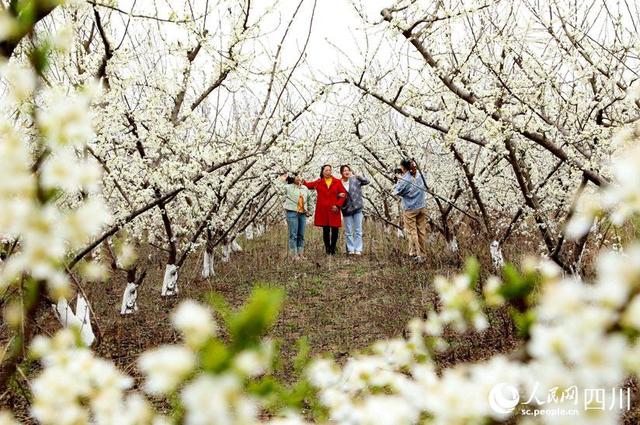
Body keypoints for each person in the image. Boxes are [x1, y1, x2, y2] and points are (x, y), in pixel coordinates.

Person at [304, 165, 347, 255]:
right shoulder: (319, 182)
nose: (328, 172)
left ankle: (333, 249)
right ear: (322, 171)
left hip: (334, 210)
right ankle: (328, 250)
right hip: (323, 210)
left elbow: (343, 194)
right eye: (326, 170)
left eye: (329, 170)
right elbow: (308, 185)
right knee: (326, 230)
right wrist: (299, 179)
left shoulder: (337, 182)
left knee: (335, 230)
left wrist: (338, 205)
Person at [393, 159, 427, 262]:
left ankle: (416, 254)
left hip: (410, 209)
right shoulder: (420, 175)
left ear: (403, 167)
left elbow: (397, 191)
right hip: (421, 207)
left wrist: (398, 179)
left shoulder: (405, 179)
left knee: (412, 232)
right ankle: (423, 254)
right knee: (421, 231)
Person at [277, 172, 312, 259]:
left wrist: (310, 210)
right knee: (293, 235)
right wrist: (282, 180)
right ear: (292, 177)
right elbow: (280, 192)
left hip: (303, 213)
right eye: (296, 176)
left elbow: (309, 200)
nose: (298, 177)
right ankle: (294, 255)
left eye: (300, 175)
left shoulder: (305, 188)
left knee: (301, 234)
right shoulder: (288, 187)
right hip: (292, 212)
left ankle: (301, 254)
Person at [339, 165, 369, 255]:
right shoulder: (338, 182)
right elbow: (335, 193)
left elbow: (367, 181)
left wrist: (357, 175)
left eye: (348, 170)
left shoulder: (355, 180)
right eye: (344, 171)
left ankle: (358, 249)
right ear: (341, 172)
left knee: (358, 230)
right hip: (346, 209)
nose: (346, 172)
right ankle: (350, 249)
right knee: (348, 231)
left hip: (357, 207)